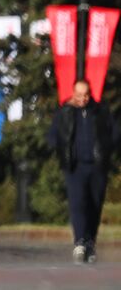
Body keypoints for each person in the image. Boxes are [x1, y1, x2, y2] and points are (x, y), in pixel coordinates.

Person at [47, 79, 116, 264]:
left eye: (85, 95)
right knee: (78, 203)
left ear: (90, 93)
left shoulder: (100, 111)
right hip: (75, 166)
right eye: (78, 95)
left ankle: (90, 242)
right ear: (73, 93)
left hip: (97, 166)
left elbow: (113, 132)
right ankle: (79, 242)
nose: (82, 99)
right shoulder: (65, 112)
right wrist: (60, 149)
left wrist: (108, 149)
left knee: (94, 205)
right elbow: (53, 136)